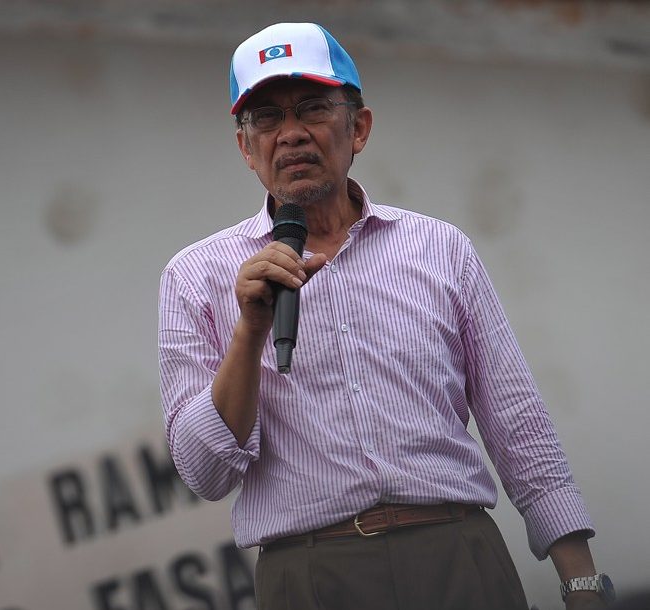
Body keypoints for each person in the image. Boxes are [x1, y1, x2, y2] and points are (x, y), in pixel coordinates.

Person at [158, 22, 613, 610]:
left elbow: (517, 423)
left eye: (313, 107)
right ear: (246, 148)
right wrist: (249, 333)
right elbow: (204, 473)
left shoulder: (439, 248)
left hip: (456, 551)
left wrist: (581, 582)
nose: (291, 134)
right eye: (266, 117)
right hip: (310, 574)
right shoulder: (195, 276)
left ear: (359, 128)